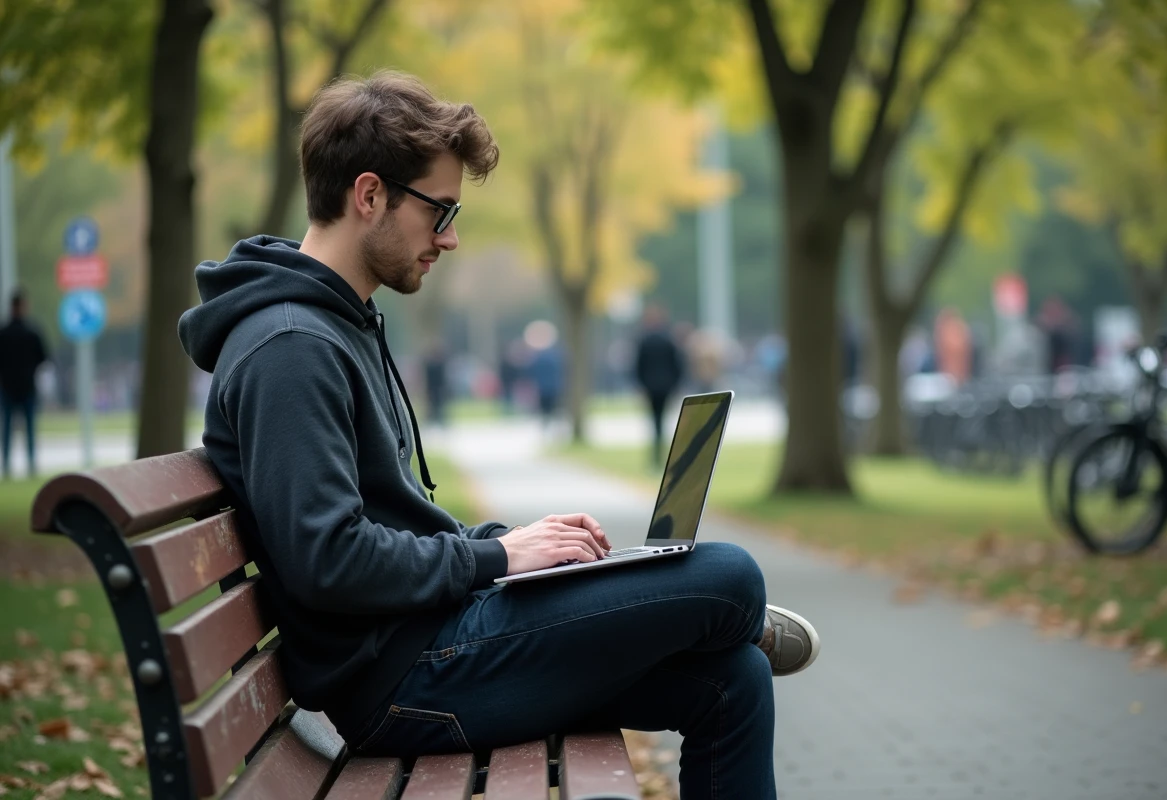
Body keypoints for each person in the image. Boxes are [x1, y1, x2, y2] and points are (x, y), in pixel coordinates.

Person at [177, 71, 819, 800]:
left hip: (436, 639)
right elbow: (328, 560)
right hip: (405, 683)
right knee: (729, 576)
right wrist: (496, 556)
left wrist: (518, 545)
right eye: (439, 211)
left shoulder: (334, 324)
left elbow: (389, 520)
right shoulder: (289, 348)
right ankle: (716, 617)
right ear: (368, 195)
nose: (448, 238)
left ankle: (714, 625)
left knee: (734, 678)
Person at [0, 290, 48, 479]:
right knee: (29, 428)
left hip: (7, 387)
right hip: (27, 386)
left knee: (8, 427)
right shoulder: (32, 332)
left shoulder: (3, 334)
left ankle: (6, 466)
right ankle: (31, 464)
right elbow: (43, 358)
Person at [633, 304, 684, 464]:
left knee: (655, 420)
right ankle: (660, 453)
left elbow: (638, 366)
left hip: (651, 387)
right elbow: (678, 365)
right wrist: (676, 384)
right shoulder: (669, 340)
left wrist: (641, 385)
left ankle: (656, 455)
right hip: (665, 386)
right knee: (661, 420)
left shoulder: (644, 340)